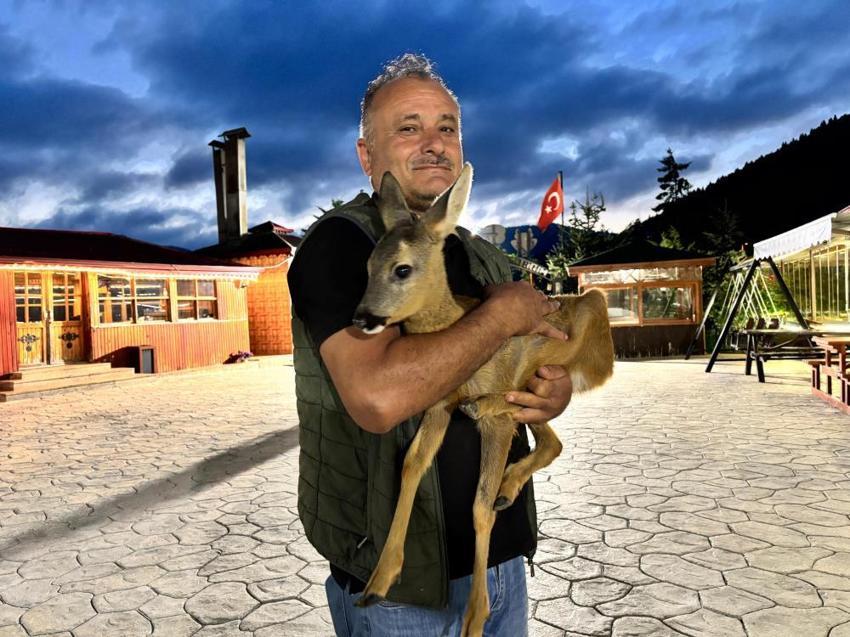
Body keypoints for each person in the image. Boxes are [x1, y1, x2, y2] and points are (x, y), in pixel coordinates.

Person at [288, 53, 573, 637]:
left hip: (499, 563)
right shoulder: (345, 246)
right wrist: (500, 318)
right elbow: (378, 398)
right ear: (368, 156)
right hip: (403, 588)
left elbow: (534, 357)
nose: (434, 143)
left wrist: (552, 393)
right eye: (409, 127)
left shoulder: (481, 256)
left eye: (447, 127)